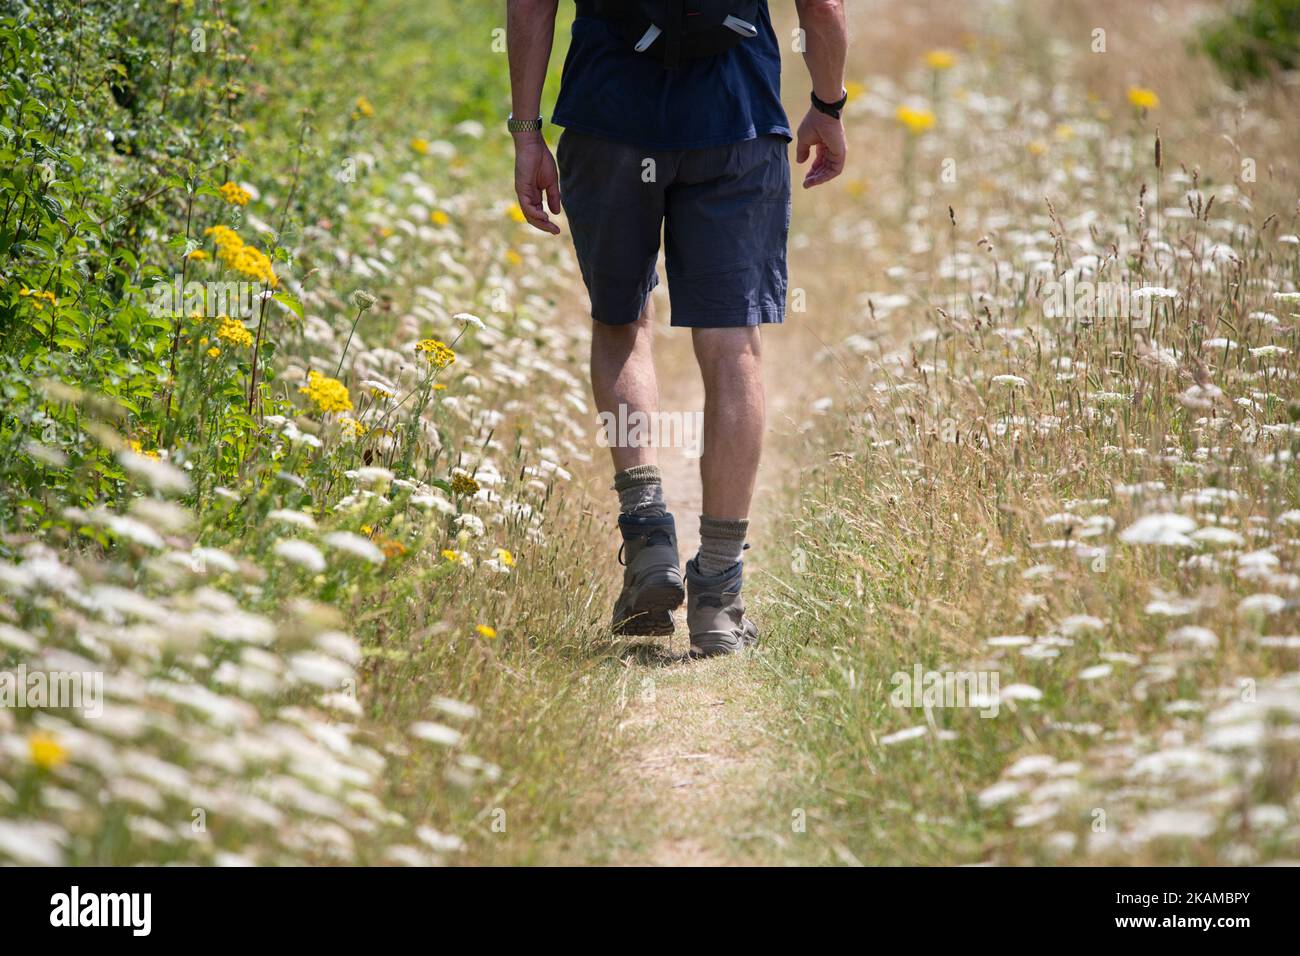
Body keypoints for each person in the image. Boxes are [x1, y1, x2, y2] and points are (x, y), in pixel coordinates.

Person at [506, 0, 847, 655]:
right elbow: (823, 8)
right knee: (732, 345)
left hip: (609, 118)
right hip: (737, 120)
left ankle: (647, 537)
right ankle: (718, 595)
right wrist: (827, 106)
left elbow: (530, 5)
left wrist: (526, 131)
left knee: (622, 325)